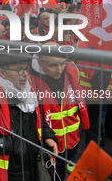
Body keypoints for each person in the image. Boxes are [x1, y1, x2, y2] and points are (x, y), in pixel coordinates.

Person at [0, 50, 58, 181]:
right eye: (19, 69)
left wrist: (48, 135)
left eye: (26, 69)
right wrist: (12, 144)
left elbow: (37, 120)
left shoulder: (28, 93)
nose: (25, 74)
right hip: (7, 174)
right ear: (2, 72)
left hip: (33, 167)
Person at [29, 42, 90, 180]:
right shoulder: (31, 79)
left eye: (63, 63)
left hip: (73, 138)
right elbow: (33, 114)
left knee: (61, 172)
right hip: (49, 142)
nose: (59, 69)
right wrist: (45, 137)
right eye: (52, 65)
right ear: (39, 62)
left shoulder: (71, 70)